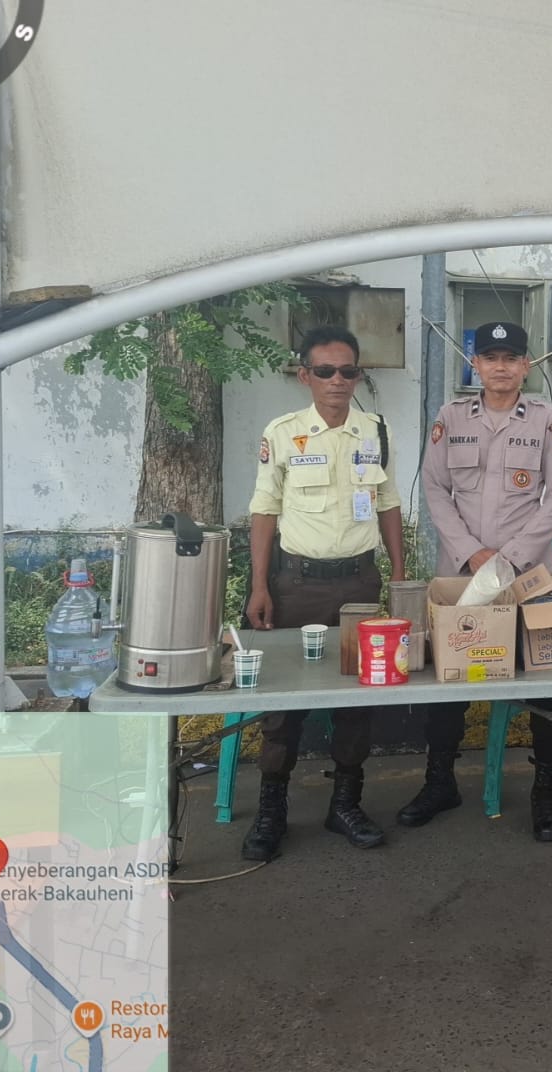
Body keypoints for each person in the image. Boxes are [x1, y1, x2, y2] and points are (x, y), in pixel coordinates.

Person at [240, 325, 406, 861]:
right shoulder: (283, 433)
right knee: (283, 704)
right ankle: (272, 810)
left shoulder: (376, 431)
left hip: (358, 584)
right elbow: (264, 510)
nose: (338, 380)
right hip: (296, 586)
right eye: (326, 371)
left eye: (348, 370)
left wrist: (399, 575)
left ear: (358, 375)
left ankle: (346, 805)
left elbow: (388, 503)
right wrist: (259, 585)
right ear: (305, 376)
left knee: (357, 698)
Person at [407, 322, 552, 841]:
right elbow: (435, 489)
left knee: (544, 682)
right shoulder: (450, 418)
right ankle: (440, 782)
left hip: (528, 576)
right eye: (490, 357)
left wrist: (509, 557)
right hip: (462, 575)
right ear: (474, 365)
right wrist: (471, 552)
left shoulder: (548, 421)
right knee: (449, 682)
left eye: (510, 358)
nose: (500, 367)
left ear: (526, 365)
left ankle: (545, 792)